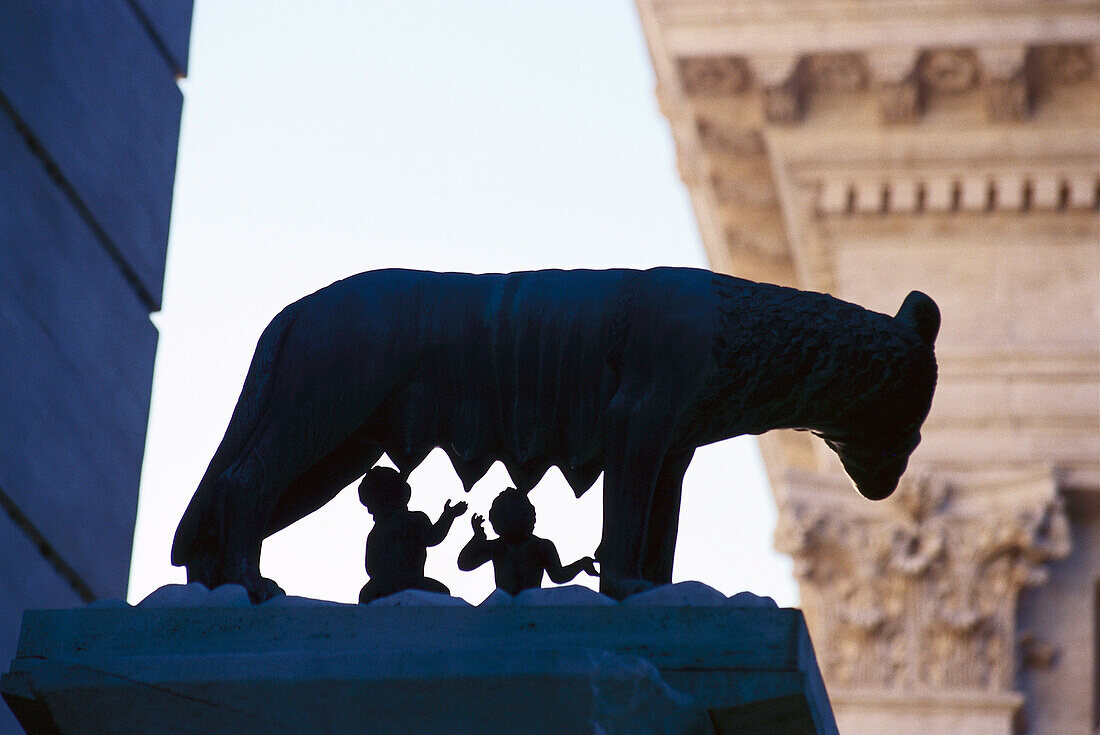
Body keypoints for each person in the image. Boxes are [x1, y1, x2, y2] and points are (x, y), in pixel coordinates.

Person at [457, 487, 597, 595]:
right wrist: (478, 538)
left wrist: (581, 565)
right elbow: (464, 563)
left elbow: (558, 575)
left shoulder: (541, 547)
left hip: (530, 606)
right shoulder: (498, 547)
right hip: (506, 607)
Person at [358, 467, 467, 604]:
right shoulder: (379, 531)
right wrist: (449, 516)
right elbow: (371, 566)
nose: (370, 511)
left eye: (372, 506)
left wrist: (448, 516)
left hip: (407, 581)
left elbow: (432, 537)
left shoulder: (413, 520)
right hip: (388, 583)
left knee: (440, 593)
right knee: (440, 592)